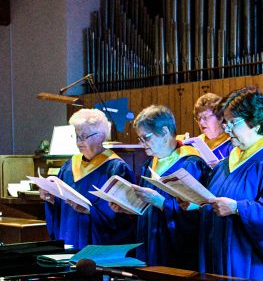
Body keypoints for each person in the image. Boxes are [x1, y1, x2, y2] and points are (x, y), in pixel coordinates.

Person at [199, 88, 263, 281]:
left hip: (251, 265)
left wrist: (238, 208)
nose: (227, 129)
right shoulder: (225, 164)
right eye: (225, 123)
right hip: (217, 261)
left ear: (254, 121)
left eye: (232, 123)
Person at [116, 105, 208, 269]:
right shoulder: (149, 164)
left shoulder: (191, 164)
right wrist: (128, 208)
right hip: (150, 243)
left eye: (146, 138)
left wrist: (161, 203)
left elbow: (197, 214)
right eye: (140, 139)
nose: (142, 144)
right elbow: (145, 210)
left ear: (165, 132)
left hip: (176, 251)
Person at [39, 108, 135, 248]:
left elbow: (124, 217)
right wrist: (51, 199)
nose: (79, 142)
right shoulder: (69, 166)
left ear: (101, 137)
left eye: (84, 136)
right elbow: (61, 210)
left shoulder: (116, 168)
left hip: (96, 246)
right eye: (76, 136)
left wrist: (90, 210)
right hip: (69, 238)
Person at [190, 92, 233, 163]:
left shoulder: (232, 142)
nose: (201, 122)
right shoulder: (197, 143)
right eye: (198, 118)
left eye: (204, 117)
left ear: (220, 117)